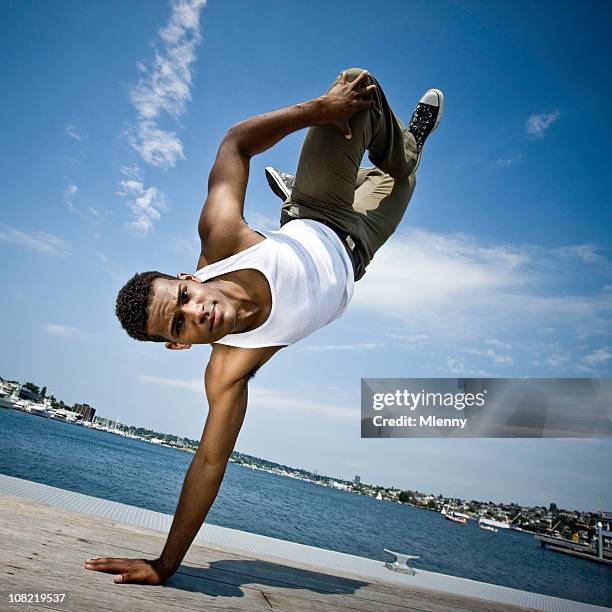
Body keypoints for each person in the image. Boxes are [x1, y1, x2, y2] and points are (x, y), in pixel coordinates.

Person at [85, 68, 443, 585]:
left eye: (184, 297)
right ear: (176, 346)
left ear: (190, 277)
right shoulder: (229, 369)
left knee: (357, 91)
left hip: (316, 209)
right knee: (402, 180)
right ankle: (403, 159)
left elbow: (235, 143)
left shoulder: (222, 238)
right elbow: (208, 463)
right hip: (357, 249)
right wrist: (166, 564)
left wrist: (320, 109)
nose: (197, 312)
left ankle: (401, 145)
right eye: (181, 326)